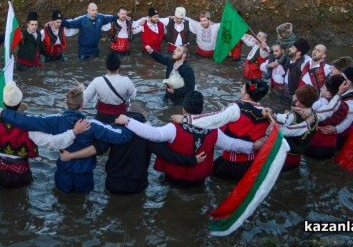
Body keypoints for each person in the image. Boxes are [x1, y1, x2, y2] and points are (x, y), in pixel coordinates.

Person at [0, 87, 134, 193]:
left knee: (62, 201)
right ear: (83, 104)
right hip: (84, 174)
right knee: (83, 205)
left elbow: (27, 120)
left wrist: (2, 112)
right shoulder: (92, 124)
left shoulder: (54, 120)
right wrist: (131, 122)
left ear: (66, 101)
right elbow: (122, 136)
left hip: (63, 171)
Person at [62, 100, 203, 194]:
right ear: (145, 113)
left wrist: (70, 155)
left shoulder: (114, 128)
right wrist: (193, 160)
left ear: (127, 111)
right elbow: (168, 155)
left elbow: (94, 150)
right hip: (138, 184)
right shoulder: (150, 133)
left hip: (113, 183)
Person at [117, 92, 256, 187]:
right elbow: (232, 145)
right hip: (198, 180)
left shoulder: (173, 128)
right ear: (201, 110)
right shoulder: (214, 130)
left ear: (184, 110)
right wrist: (254, 146)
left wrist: (128, 121)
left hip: (174, 178)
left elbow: (153, 134)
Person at [0, 81, 90, 188]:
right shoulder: (29, 124)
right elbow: (51, 142)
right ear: (20, 104)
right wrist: (73, 133)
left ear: (3, 102)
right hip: (20, 171)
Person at [171, 79, 270, 181]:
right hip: (253, 162)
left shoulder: (237, 108)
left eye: (243, 88)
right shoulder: (269, 114)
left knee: (214, 181)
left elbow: (214, 119)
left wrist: (186, 119)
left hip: (232, 162)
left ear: (246, 96)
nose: (240, 89)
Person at [263, 85, 318, 172]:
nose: (292, 96)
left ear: (298, 103)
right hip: (297, 159)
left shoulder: (293, 115)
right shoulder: (314, 117)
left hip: (283, 158)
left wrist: (273, 116)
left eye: (295, 96)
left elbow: (284, 120)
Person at [80, 51, 136, 124]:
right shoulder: (126, 81)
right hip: (120, 119)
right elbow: (132, 97)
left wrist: (82, 90)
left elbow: (84, 100)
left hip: (101, 119)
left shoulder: (97, 81)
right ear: (119, 66)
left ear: (106, 66)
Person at [303, 74, 347, 159]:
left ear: (328, 94)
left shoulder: (318, 105)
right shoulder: (345, 106)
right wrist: (336, 129)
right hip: (330, 146)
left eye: (323, 87)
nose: (320, 88)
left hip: (313, 143)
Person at [282, 37, 311, 102]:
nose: (289, 49)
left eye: (292, 48)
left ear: (298, 53)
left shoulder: (302, 65)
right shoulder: (291, 58)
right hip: (285, 87)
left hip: (292, 93)